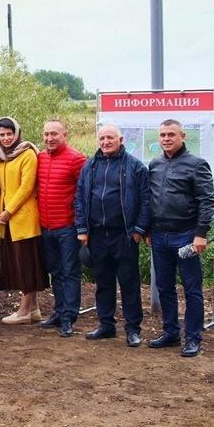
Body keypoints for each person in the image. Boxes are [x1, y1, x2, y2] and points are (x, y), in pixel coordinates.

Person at [74, 125, 148, 347]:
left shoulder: (134, 167)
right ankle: (106, 324)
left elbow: (146, 201)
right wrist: (82, 229)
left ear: (120, 139)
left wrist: (138, 231)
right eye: (102, 138)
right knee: (103, 283)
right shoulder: (90, 167)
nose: (106, 142)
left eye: (110, 138)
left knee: (129, 283)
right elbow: (79, 198)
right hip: (97, 234)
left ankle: (133, 329)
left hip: (124, 235)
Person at [147, 119, 214, 358]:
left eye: (171, 134)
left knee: (192, 289)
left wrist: (201, 234)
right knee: (164, 287)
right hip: (159, 236)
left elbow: (207, 201)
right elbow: (150, 200)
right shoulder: (154, 164)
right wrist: (147, 229)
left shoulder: (197, 165)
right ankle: (171, 332)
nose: (166, 138)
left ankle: (193, 338)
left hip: (186, 236)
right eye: (163, 134)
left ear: (182, 136)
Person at [0, 117, 47, 325]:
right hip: (6, 221)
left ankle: (23, 310)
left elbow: (26, 187)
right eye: (2, 134)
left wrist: (9, 211)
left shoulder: (27, 154)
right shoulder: (1, 156)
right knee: (17, 263)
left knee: (26, 265)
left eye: (9, 133)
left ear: (17, 133)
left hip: (24, 219)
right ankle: (34, 309)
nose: (6, 138)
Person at [36, 119, 86, 337]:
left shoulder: (77, 159)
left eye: (54, 134)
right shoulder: (40, 157)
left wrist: (82, 226)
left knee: (70, 272)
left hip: (67, 226)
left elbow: (83, 194)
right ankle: (58, 312)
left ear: (64, 134)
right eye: (46, 134)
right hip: (46, 226)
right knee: (55, 271)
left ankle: (69, 317)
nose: (49, 138)